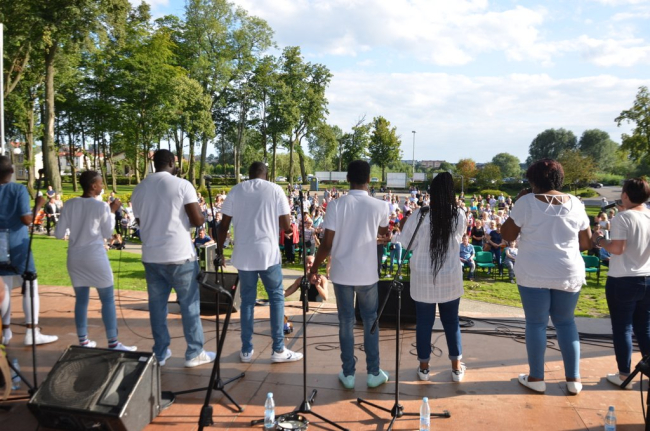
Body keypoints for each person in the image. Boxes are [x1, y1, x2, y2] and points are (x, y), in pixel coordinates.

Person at [502, 159, 591, 395]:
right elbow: (586, 242)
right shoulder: (576, 203)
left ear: (533, 180)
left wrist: (519, 203)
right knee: (566, 323)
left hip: (534, 272)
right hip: (568, 271)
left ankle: (536, 378)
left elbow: (507, 234)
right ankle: (574, 380)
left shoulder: (527, 202)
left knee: (536, 324)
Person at [310, 160, 390, 389]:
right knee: (370, 321)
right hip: (367, 275)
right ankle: (374, 373)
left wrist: (314, 268)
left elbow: (326, 243)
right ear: (369, 179)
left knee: (345, 322)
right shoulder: (380, 206)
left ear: (348, 179)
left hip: (342, 274)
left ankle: (349, 374)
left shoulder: (336, 205)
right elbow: (383, 232)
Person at [131, 150, 215, 368]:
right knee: (189, 305)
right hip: (180, 255)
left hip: (151, 256)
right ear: (171, 162)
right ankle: (194, 353)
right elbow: (197, 220)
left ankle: (160, 352)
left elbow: (140, 221)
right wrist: (204, 216)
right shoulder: (182, 185)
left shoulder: (139, 189)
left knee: (158, 307)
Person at [216, 161, 303, 364]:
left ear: (250, 174)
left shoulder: (236, 190)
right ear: (266, 174)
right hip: (268, 255)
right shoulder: (275, 189)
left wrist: (219, 251)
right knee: (276, 298)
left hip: (244, 254)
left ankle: (246, 350)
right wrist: (290, 230)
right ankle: (278, 350)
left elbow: (223, 225)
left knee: (247, 301)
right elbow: (285, 224)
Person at [55, 171, 136, 351]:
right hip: (95, 256)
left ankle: (83, 341)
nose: (102, 187)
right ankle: (113, 342)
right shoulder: (101, 207)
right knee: (107, 300)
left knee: (81, 300)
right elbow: (108, 234)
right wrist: (112, 211)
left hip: (75, 258)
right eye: (100, 183)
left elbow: (59, 234)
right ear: (93, 186)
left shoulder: (69, 204)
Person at [401, 172, 466, 383]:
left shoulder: (420, 215)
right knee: (451, 322)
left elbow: (406, 244)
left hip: (423, 277)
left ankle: (424, 368)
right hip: (450, 277)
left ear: (432, 192)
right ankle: (456, 369)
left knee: (424, 323)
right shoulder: (459, 215)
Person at [594, 178, 650, 389]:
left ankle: (624, 375)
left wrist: (599, 240)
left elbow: (617, 248)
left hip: (623, 280)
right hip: (647, 278)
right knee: (644, 328)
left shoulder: (623, 217)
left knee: (623, 328)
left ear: (626, 195)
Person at [0, 156, 58, 346]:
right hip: (17, 243)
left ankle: (6, 332)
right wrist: (39, 204)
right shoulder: (18, 190)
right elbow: (27, 220)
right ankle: (32, 332)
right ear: (11, 172)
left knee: (5, 286)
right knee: (31, 285)